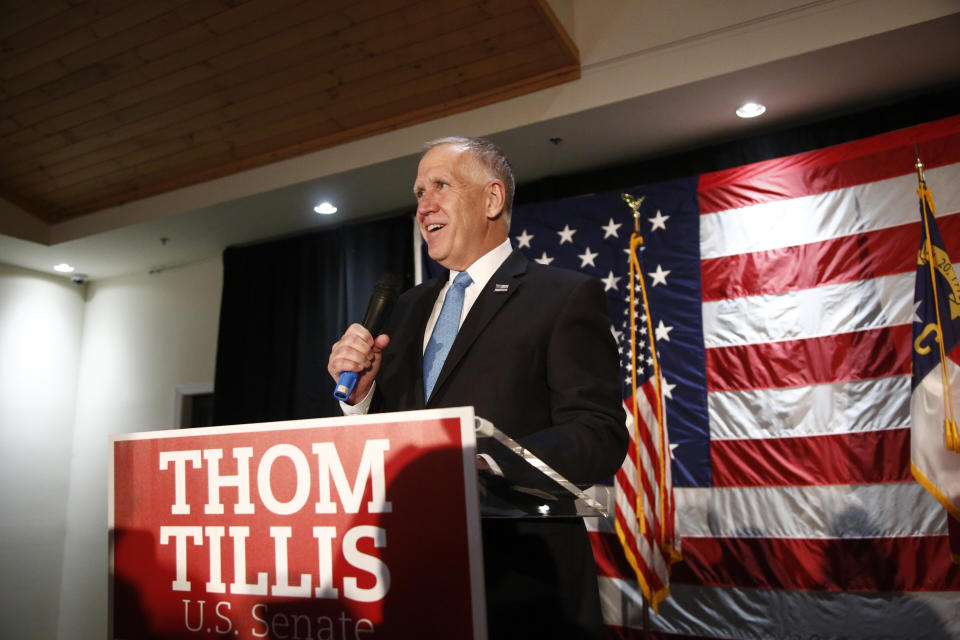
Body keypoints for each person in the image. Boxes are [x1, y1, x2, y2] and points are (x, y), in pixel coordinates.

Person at [327, 136, 627, 638]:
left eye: (439, 186)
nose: (423, 206)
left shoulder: (563, 296)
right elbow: (397, 440)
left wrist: (483, 460)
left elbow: (597, 434)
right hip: (411, 571)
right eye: (419, 192)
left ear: (491, 200)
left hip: (524, 579)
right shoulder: (403, 309)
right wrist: (360, 400)